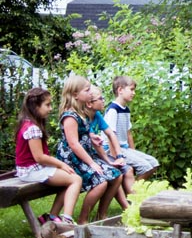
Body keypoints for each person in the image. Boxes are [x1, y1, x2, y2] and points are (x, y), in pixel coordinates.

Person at [56, 75, 122, 224]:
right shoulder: (70, 116)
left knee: (116, 175)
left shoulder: (80, 112)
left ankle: (101, 215)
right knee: (101, 182)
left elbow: (81, 134)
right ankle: (83, 220)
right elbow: (73, 144)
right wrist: (92, 163)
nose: (90, 93)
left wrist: (91, 137)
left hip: (84, 155)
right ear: (75, 95)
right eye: (87, 90)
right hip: (73, 159)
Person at [14, 88, 82, 225]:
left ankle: (52, 217)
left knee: (68, 180)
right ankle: (66, 220)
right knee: (75, 180)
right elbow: (39, 157)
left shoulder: (27, 123)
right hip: (31, 170)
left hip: (30, 169)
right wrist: (61, 164)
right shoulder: (32, 128)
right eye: (47, 105)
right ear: (35, 106)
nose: (50, 109)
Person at [104, 76, 158, 199]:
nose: (134, 93)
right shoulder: (113, 110)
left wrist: (133, 152)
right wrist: (116, 158)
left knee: (153, 164)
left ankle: (135, 190)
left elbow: (128, 133)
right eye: (131, 89)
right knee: (145, 167)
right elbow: (110, 136)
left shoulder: (126, 110)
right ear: (120, 90)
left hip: (124, 148)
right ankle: (134, 196)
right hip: (112, 149)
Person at [86, 85, 132, 209]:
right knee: (114, 174)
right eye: (101, 98)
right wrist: (108, 160)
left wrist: (119, 156)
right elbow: (96, 145)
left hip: (97, 155)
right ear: (89, 103)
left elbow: (111, 134)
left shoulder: (97, 116)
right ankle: (126, 207)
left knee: (120, 172)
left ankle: (107, 211)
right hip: (89, 157)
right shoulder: (85, 120)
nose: (104, 101)